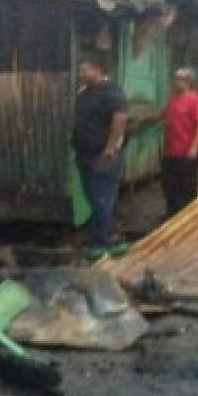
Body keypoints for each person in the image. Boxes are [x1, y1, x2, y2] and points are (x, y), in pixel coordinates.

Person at [72, 58, 129, 253]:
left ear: (96, 69)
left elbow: (120, 118)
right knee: (93, 197)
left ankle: (103, 242)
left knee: (102, 198)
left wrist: (110, 147)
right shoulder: (84, 92)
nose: (80, 74)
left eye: (84, 70)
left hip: (103, 156)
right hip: (84, 154)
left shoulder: (111, 91)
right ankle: (98, 236)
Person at [159, 68, 198, 217]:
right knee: (168, 184)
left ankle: (188, 216)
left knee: (186, 186)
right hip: (170, 151)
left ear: (188, 82)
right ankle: (172, 214)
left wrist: (194, 146)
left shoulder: (193, 99)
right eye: (175, 79)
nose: (176, 82)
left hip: (186, 151)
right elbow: (163, 115)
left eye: (179, 79)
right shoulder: (173, 98)